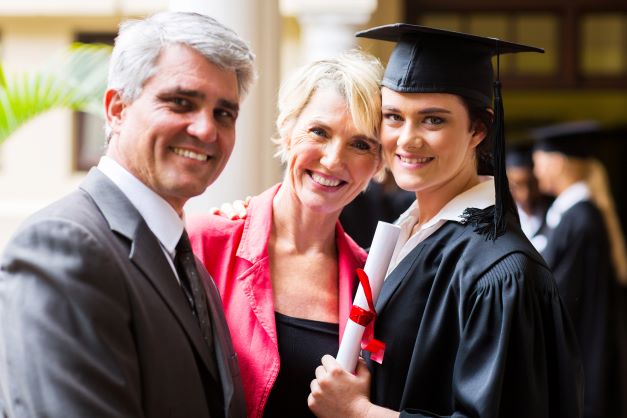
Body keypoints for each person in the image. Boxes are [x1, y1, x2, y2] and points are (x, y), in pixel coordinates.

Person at [308, 24, 583, 418]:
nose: (407, 139)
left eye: (432, 120)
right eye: (393, 117)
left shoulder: (501, 274)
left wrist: (357, 412)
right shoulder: (410, 232)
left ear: (478, 129)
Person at [0, 11, 254, 418]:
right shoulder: (62, 246)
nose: (207, 130)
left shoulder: (188, 264)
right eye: (181, 102)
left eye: (224, 113)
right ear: (116, 109)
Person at [186, 50, 383, 418]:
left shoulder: (371, 281)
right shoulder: (205, 243)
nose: (332, 160)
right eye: (319, 132)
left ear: (378, 162)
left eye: (360, 144)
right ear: (287, 129)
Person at [532, 120, 627, 418]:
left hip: (583, 356)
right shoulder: (570, 214)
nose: (535, 171)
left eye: (538, 162)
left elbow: (562, 293)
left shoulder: (580, 220)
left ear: (556, 163)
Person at [505, 142, 551, 250]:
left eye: (531, 184)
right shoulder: (500, 218)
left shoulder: (554, 211)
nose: (526, 194)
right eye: (516, 185)